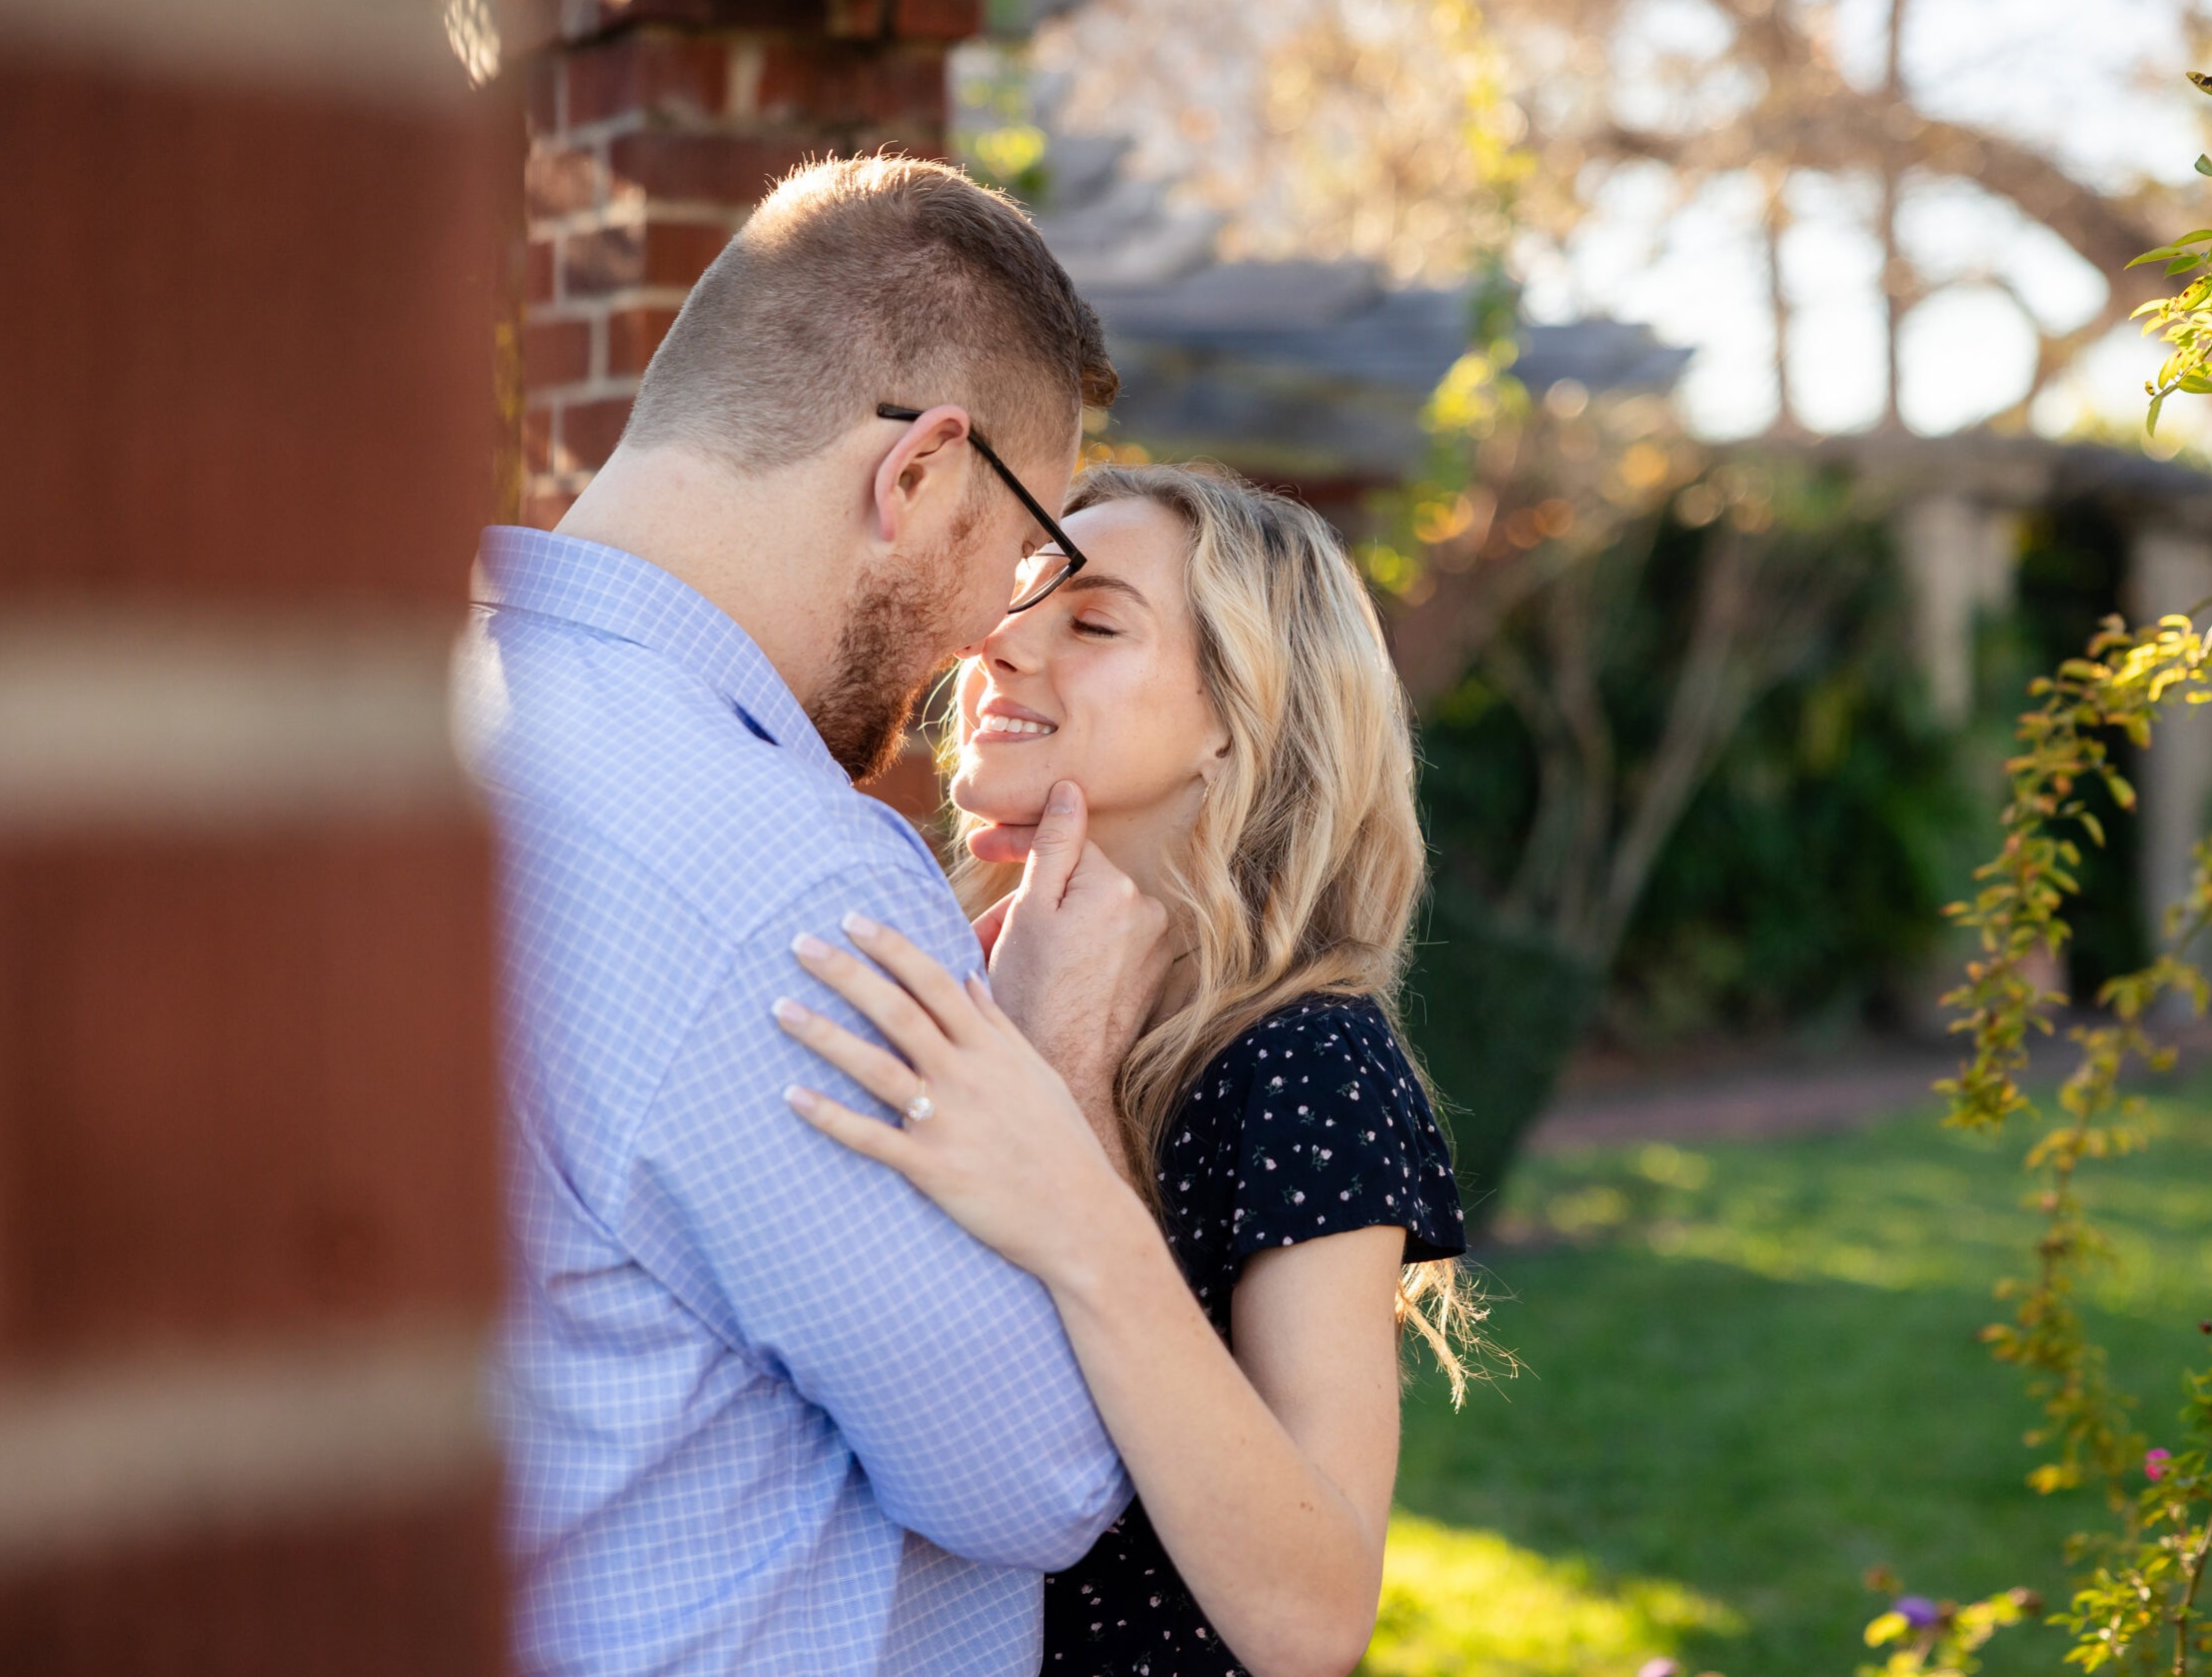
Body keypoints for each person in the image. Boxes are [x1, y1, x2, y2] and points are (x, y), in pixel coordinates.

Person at [459, 155, 1175, 1675]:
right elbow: (1040, 1477)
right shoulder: (789, 877)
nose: (1000, 628)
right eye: (1031, 544)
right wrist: (1060, 1067)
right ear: (916, 473)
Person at [773, 463, 1472, 1677]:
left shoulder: (1303, 1059)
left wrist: (1068, 1110)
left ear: (1237, 715)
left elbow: (1311, 1619)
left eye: (1091, 621)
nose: (997, 642)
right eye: (1018, 601)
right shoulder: (951, 977)